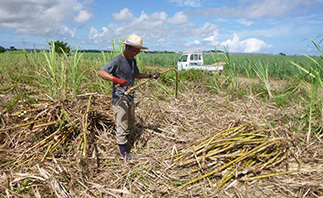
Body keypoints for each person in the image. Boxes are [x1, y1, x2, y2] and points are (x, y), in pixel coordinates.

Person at [98, 34, 160, 160]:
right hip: (119, 98)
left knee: (131, 121)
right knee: (122, 123)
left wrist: (149, 75)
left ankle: (129, 141)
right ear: (127, 47)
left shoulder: (132, 61)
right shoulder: (117, 60)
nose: (136, 53)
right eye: (134, 50)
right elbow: (101, 72)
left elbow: (136, 74)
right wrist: (116, 80)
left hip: (130, 96)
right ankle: (123, 151)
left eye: (138, 51)